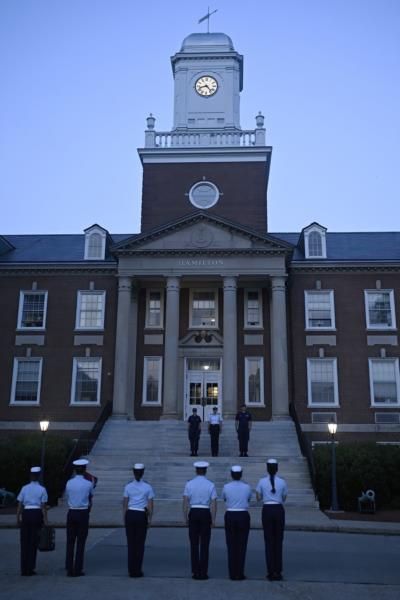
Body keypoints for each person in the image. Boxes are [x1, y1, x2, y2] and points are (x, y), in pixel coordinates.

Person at [183, 461, 217, 580]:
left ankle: (195, 571)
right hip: (205, 512)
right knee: (205, 544)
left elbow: (185, 502)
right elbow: (213, 503)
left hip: (194, 512)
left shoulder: (189, 484)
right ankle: (203, 572)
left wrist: (185, 517)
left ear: (196, 470)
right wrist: (213, 519)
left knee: (194, 544)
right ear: (205, 471)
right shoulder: (210, 484)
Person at [256, 458, 288, 581]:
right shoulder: (283, 482)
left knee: (268, 541)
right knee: (278, 541)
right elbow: (284, 498)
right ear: (277, 469)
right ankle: (278, 571)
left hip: (267, 510)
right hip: (279, 510)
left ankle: (270, 571)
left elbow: (258, 498)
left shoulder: (262, 481)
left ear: (267, 468)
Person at [123, 463, 155, 578]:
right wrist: (150, 519)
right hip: (141, 515)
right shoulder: (148, 487)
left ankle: (131, 570)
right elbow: (150, 505)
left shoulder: (128, 486)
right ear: (143, 472)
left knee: (131, 544)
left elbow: (125, 504)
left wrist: (125, 518)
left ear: (133, 472)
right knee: (140, 544)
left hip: (130, 514)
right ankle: (138, 570)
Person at [16, 466, 48, 576]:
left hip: (26, 514)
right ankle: (30, 568)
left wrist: (17, 517)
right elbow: (43, 506)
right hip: (36, 514)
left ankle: (23, 568)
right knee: (33, 542)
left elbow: (20, 504)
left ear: (30, 476)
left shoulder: (24, 488)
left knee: (24, 542)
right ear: (38, 476)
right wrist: (46, 520)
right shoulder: (42, 489)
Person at [222, 466, 252, 581]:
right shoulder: (247, 487)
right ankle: (240, 572)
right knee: (242, 545)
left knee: (231, 545)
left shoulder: (226, 487)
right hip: (243, 515)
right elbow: (249, 499)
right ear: (241, 474)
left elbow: (224, 498)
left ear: (231, 474)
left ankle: (232, 572)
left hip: (230, 514)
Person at [65, 458, 94, 577]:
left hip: (71, 512)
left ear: (75, 470)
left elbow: (68, 495)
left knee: (70, 541)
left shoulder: (69, 483)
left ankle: (69, 567)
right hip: (83, 513)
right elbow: (90, 498)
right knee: (81, 542)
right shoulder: (88, 484)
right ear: (85, 470)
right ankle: (78, 569)